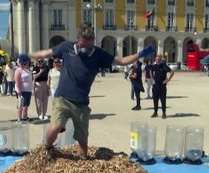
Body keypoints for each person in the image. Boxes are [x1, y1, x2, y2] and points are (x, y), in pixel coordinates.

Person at [29, 22, 154, 158]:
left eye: (88, 46)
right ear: (77, 40)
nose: (84, 49)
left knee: (83, 143)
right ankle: (45, 150)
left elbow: (122, 61)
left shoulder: (99, 54)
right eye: (82, 45)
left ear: (93, 42)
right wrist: (29, 54)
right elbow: (46, 53)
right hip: (63, 98)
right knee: (55, 127)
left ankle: (82, 162)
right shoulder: (66, 47)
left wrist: (142, 53)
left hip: (81, 103)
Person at [149, 54, 174, 119]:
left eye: (158, 59)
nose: (157, 60)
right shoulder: (153, 66)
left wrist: (167, 80)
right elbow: (150, 72)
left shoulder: (164, 66)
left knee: (163, 100)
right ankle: (155, 112)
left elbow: (172, 72)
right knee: (155, 99)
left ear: (161, 59)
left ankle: (164, 113)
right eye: (156, 59)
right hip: (155, 85)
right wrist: (152, 79)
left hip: (162, 85)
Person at [14, 54, 33, 122]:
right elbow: (17, 81)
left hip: (28, 90)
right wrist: (19, 90)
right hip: (21, 90)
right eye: (22, 63)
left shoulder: (28, 70)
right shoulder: (18, 70)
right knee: (21, 104)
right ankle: (19, 118)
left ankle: (25, 116)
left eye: (25, 63)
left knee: (26, 104)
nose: (23, 65)